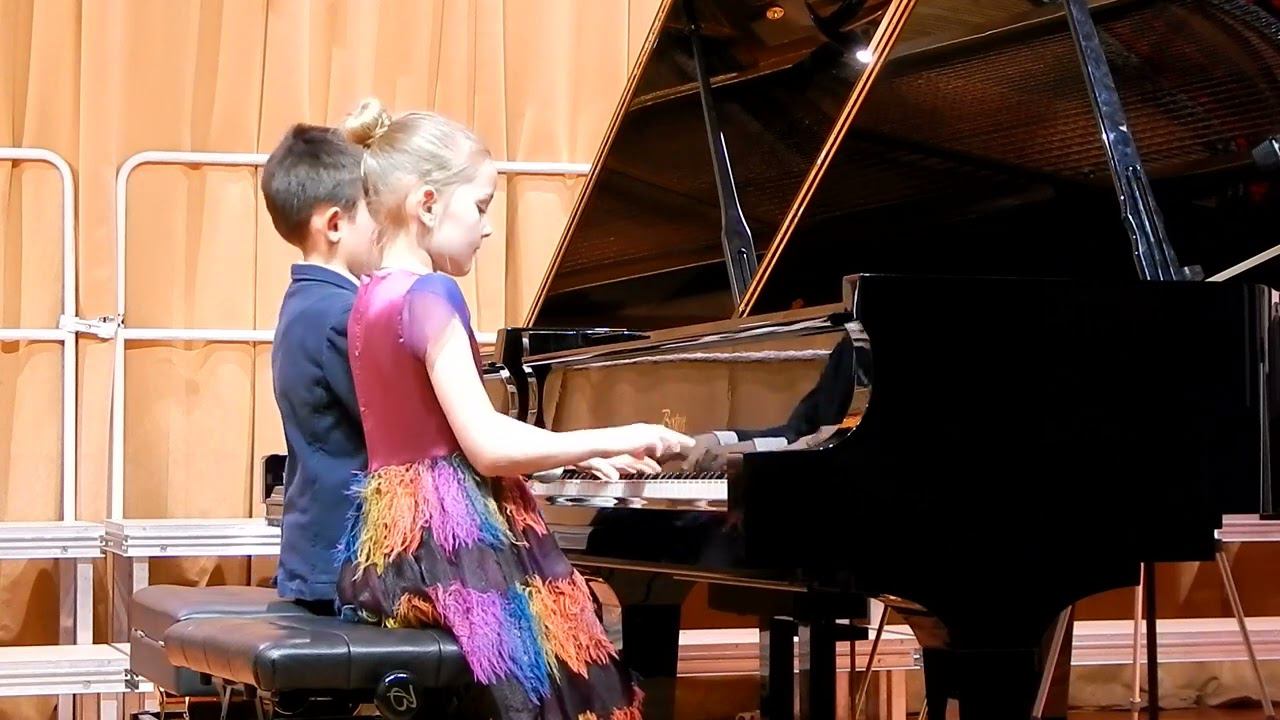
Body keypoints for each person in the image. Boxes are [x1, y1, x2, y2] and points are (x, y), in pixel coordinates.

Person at [333, 97, 694, 720]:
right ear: (427, 204)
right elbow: (487, 448)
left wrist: (557, 458)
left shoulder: (370, 298)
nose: (488, 227)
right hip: (454, 541)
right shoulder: (431, 293)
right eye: (480, 206)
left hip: (397, 542)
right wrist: (612, 436)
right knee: (565, 686)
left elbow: (438, 432)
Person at [263, 123, 378, 614]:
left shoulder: (304, 302)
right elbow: (396, 434)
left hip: (315, 555)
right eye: (375, 213)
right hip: (345, 566)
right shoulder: (343, 315)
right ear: (334, 224)